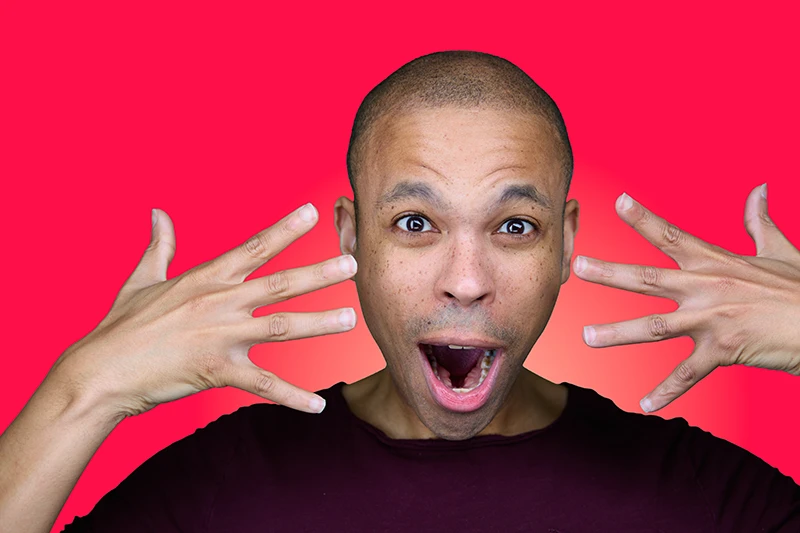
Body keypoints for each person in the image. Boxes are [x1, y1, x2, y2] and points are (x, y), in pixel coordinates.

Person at [1, 50, 799, 532]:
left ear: (566, 243)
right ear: (353, 238)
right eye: (415, 222)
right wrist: (86, 386)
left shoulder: (700, 497)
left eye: (514, 226)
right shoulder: (224, 487)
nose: (466, 280)